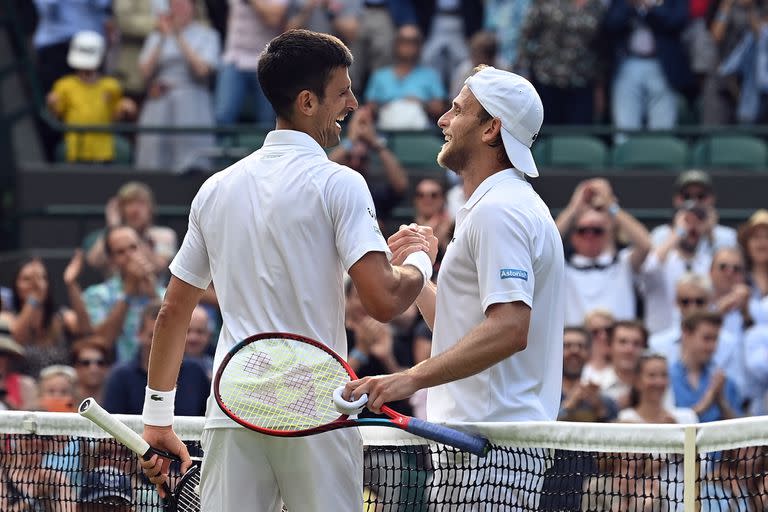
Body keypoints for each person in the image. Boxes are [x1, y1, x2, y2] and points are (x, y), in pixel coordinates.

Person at [138, 29, 434, 512]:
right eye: (342, 91)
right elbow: (382, 300)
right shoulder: (341, 184)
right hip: (316, 408)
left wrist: (156, 419)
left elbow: (173, 310)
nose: (353, 102)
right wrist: (422, 258)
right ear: (307, 102)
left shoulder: (216, 189)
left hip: (235, 408)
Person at [345, 65, 565, 509]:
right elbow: (463, 327)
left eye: (458, 109)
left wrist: (407, 379)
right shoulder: (498, 206)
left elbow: (509, 329)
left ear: (491, 129)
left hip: (491, 455)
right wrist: (419, 271)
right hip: (478, 448)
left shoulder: (499, 211)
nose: (443, 120)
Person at [134, 0, 221, 172]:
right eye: (173, 5)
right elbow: (144, 72)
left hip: (192, 100)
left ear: (193, 7)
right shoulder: (157, 35)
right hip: (160, 100)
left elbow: (202, 70)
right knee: (152, 158)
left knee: (190, 160)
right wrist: (161, 38)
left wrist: (178, 36)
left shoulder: (208, 35)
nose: (177, 9)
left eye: (182, 4)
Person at [104, 301, 208, 415]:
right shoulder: (120, 377)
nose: (160, 343)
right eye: (153, 336)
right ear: (139, 334)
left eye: (167, 336)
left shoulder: (196, 373)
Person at [47, 30, 137, 163]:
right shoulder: (64, 85)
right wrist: (52, 104)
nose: (86, 69)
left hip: (103, 145)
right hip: (75, 145)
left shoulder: (111, 86)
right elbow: (57, 115)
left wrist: (125, 109)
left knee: (123, 150)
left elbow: (115, 117)